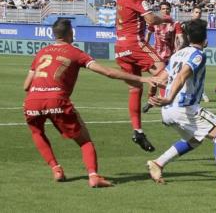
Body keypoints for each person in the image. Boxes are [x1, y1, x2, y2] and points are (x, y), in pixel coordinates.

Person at [22, 18, 155, 187]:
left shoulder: (42, 52)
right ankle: (93, 176)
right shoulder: (75, 52)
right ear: (70, 33)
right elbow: (107, 72)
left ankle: (56, 169)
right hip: (57, 99)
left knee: (37, 133)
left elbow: (26, 85)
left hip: (32, 100)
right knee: (84, 141)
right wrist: (142, 79)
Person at [147, 19, 216, 190]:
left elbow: (158, 79)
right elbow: (181, 76)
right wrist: (169, 98)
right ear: (205, 39)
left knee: (194, 140)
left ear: (187, 37)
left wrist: (152, 97)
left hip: (168, 111)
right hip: (183, 107)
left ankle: (158, 163)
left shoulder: (176, 55)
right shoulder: (198, 55)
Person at [105, 0, 174, 153]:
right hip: (134, 43)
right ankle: (168, 112)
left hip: (119, 46)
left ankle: (137, 130)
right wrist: (166, 19)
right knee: (163, 70)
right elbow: (151, 20)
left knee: (135, 87)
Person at [142, 2, 185, 113]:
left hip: (170, 57)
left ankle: (162, 105)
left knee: (164, 81)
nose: (165, 11)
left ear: (170, 10)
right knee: (155, 82)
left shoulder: (175, 24)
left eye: (167, 9)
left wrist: (179, 50)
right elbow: (147, 35)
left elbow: (181, 38)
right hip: (157, 57)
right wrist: (144, 49)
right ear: (160, 10)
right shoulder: (154, 23)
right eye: (163, 9)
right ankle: (151, 100)